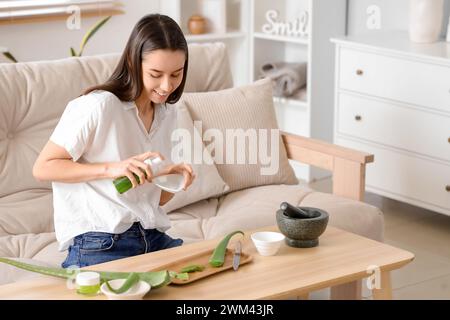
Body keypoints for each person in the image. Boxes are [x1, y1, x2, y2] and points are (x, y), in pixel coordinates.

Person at [32, 14, 195, 268]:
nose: (167, 85)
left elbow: (157, 200)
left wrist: (173, 179)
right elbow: (43, 167)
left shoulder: (167, 113)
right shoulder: (99, 105)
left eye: (176, 74)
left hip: (151, 236)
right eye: (156, 74)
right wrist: (112, 168)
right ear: (133, 62)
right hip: (99, 242)